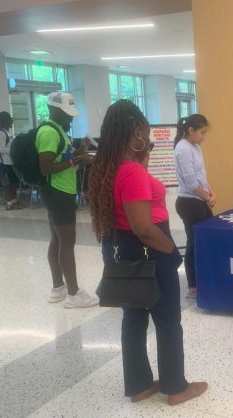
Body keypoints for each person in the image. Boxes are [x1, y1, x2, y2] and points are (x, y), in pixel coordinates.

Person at [88, 99, 207, 406]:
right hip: (149, 248)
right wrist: (171, 250)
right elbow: (143, 227)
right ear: (135, 134)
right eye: (144, 130)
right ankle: (176, 388)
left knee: (134, 316)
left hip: (123, 249)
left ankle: (139, 385)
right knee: (168, 320)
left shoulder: (110, 167)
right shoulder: (131, 172)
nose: (148, 138)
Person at [36, 91, 98, 308]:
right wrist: (74, 162)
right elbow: (46, 167)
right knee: (67, 242)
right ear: (53, 110)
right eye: (67, 113)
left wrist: (78, 154)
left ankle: (58, 289)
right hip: (58, 192)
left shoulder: (59, 131)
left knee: (57, 240)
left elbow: (61, 159)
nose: (71, 118)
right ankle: (73, 294)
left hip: (61, 190)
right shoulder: (49, 133)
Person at [174, 114, 216, 299]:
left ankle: (205, 277)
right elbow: (191, 183)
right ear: (190, 130)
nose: (203, 137)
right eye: (202, 132)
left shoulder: (195, 147)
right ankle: (193, 285)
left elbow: (201, 177)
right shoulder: (183, 149)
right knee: (194, 242)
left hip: (199, 199)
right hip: (189, 202)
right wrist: (207, 198)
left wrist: (211, 193)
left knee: (206, 239)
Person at [0, 111, 22, 210]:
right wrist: (13, 149)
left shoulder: (8, 133)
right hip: (4, 162)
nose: (11, 122)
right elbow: (1, 149)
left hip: (10, 162)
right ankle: (9, 203)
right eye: (10, 120)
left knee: (13, 183)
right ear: (5, 121)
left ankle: (14, 201)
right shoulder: (1, 133)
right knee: (7, 183)